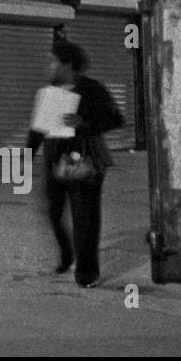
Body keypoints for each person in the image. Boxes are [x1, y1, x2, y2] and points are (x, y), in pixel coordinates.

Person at [26, 39, 123, 288]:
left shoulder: (92, 89)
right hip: (54, 162)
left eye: (53, 61)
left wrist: (84, 122)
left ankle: (86, 272)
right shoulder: (49, 92)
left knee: (85, 219)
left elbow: (116, 119)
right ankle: (67, 253)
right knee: (53, 212)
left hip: (85, 161)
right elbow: (38, 129)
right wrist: (25, 156)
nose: (50, 66)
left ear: (66, 63)